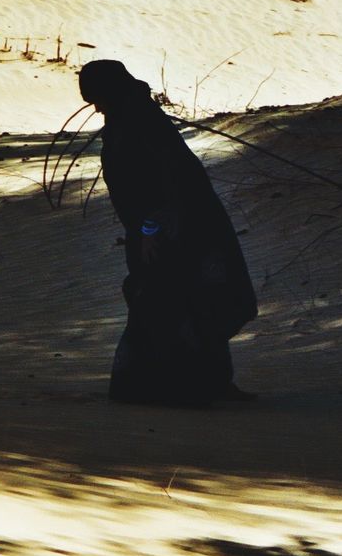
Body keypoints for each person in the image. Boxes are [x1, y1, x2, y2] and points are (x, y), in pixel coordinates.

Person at [78, 59, 258, 406]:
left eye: (98, 98)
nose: (96, 107)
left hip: (180, 232)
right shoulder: (127, 119)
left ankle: (198, 387)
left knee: (188, 300)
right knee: (168, 302)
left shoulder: (140, 123)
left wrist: (150, 229)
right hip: (160, 231)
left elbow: (165, 183)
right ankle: (182, 386)